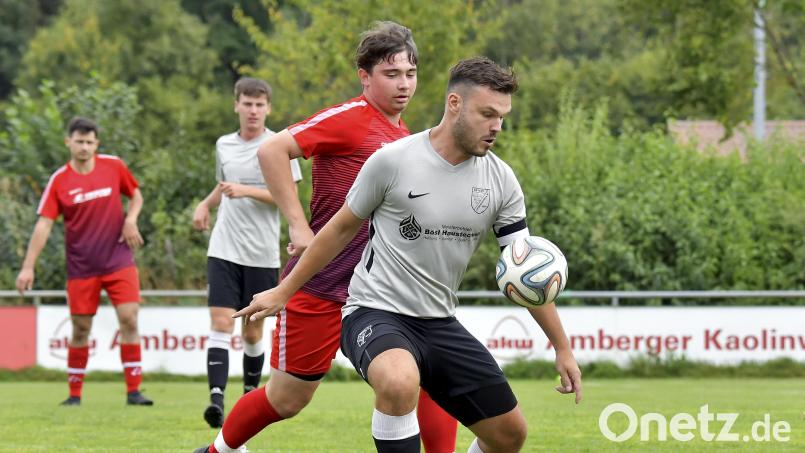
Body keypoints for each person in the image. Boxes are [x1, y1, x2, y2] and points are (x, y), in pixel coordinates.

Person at [237, 57, 583, 453]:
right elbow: (339, 229)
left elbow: (528, 276)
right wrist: (284, 291)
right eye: (487, 114)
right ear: (454, 104)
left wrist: (562, 347)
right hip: (373, 310)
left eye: (502, 117)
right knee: (399, 380)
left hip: (438, 320)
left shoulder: (501, 180)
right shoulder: (393, 160)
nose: (496, 127)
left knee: (509, 435)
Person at [194, 21, 457, 453]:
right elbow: (271, 150)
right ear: (365, 76)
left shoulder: (405, 138)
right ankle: (216, 451)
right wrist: (298, 224)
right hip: (319, 285)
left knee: (424, 375)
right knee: (286, 399)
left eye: (410, 74)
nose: (404, 84)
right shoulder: (350, 119)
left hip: (378, 291)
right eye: (391, 75)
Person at [16, 117, 153, 407]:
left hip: (119, 261)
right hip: (82, 267)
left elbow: (136, 195)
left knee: (129, 319)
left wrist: (130, 219)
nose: (84, 147)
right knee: (80, 329)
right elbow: (43, 225)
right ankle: (74, 395)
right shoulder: (60, 180)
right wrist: (28, 266)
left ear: (97, 144)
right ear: (68, 142)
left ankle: (134, 392)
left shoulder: (114, 166)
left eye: (90, 142)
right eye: (79, 141)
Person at [192, 78, 303, 430]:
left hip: (260, 254)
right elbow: (224, 183)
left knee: (252, 332)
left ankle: (250, 394)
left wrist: (247, 191)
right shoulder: (223, 144)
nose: (253, 110)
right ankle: (216, 400)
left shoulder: (278, 145)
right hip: (224, 247)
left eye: (259, 104)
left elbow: (287, 198)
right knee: (221, 322)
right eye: (247, 103)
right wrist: (206, 204)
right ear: (236, 105)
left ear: (267, 108)